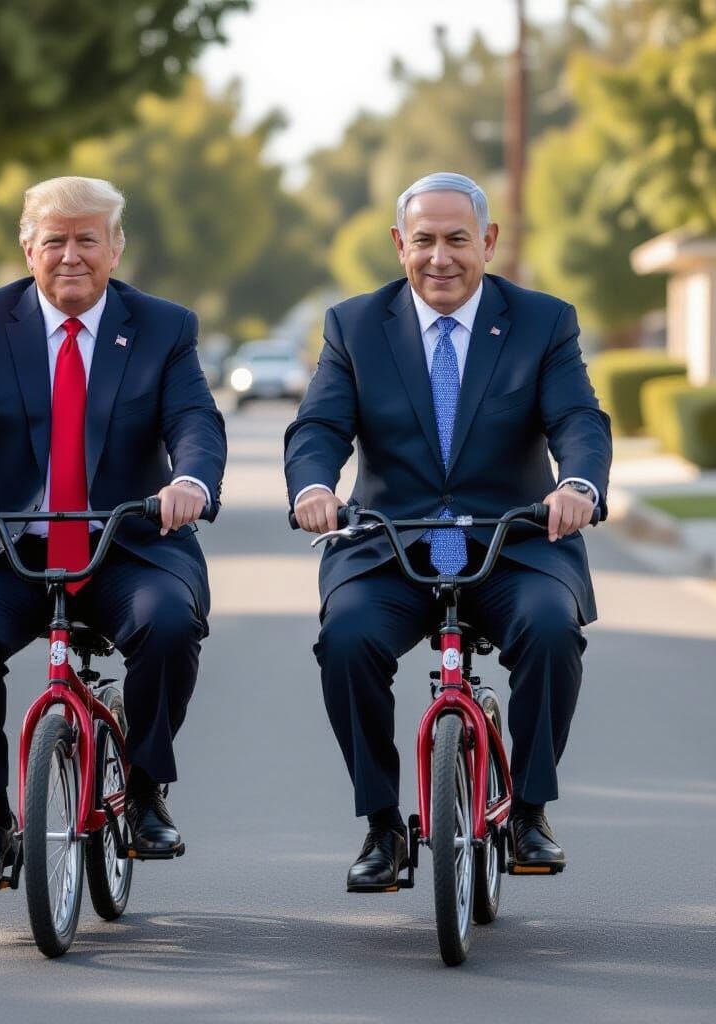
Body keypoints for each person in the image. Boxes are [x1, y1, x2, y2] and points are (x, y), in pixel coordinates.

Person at [285, 172, 611, 892]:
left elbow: (579, 421)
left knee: (553, 630)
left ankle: (529, 809)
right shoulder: (353, 325)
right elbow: (319, 426)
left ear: (487, 243)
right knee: (345, 640)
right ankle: (380, 825)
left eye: (458, 239)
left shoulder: (542, 322)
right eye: (424, 240)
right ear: (400, 245)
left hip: (513, 543)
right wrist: (313, 486)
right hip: (388, 547)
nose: (441, 257)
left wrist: (578, 484)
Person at [0, 176, 227, 890]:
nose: (71, 255)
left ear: (116, 247)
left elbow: (195, 422)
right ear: (28, 248)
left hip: (128, 541)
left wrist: (190, 484)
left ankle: (143, 790)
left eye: (87, 239)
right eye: (55, 240)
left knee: (170, 623)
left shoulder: (164, 326)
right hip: (2, 545)